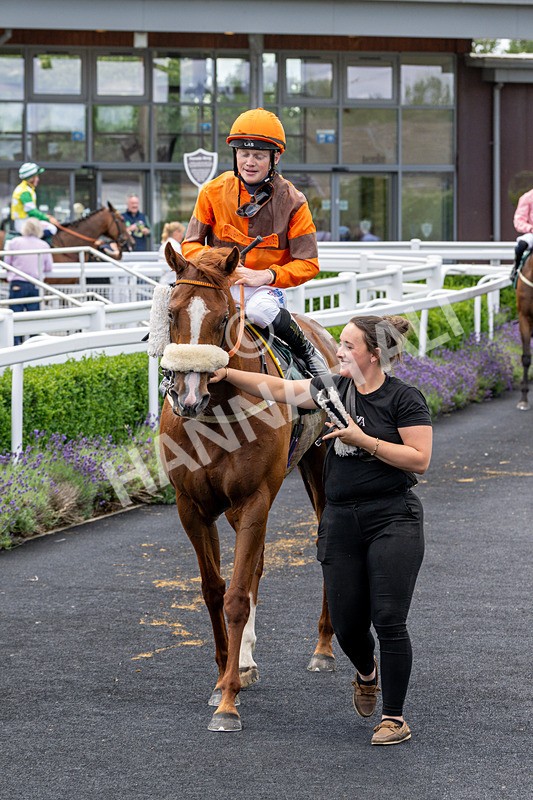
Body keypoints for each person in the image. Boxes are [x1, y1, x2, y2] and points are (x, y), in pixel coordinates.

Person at [209, 314, 433, 745]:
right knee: (347, 626)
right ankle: (366, 672)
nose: (339, 351)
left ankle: (394, 717)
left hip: (393, 517)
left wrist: (361, 439)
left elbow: (419, 459)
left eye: (348, 345)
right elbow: (279, 388)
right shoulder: (332, 389)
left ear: (374, 354)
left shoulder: (404, 398)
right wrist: (227, 373)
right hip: (342, 520)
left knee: (388, 618)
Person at [182, 107, 327, 376]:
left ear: (275, 157)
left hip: (264, 290)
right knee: (178, 304)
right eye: (244, 154)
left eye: (259, 156)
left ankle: (307, 351)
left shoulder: (295, 202)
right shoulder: (212, 191)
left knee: (260, 311)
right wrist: (217, 266)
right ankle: (171, 374)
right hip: (218, 283)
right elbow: (190, 245)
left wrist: (266, 275)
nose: (249, 162)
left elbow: (309, 264)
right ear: (235, 155)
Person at [4, 217, 53, 344]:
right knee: (34, 319)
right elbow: (49, 267)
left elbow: (7, 263)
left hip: (17, 283)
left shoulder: (14, 242)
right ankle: (34, 346)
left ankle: (15, 345)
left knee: (14, 318)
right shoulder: (44, 245)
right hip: (35, 284)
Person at [10, 162, 59, 239]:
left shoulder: (25, 188)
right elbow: (32, 212)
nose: (38, 179)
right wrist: (48, 218)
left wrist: (47, 217)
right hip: (24, 223)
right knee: (52, 229)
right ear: (31, 178)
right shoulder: (24, 191)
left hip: (25, 221)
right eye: (36, 176)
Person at [511, 188, 533, 283]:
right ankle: (516, 269)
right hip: (532, 233)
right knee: (522, 245)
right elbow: (519, 221)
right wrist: (530, 228)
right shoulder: (527, 197)